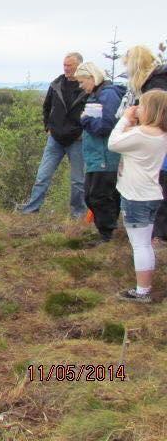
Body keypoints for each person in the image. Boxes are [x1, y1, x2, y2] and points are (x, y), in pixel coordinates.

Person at [108, 90, 167, 302]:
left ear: (151, 110)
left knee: (140, 245)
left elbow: (113, 143)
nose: (137, 109)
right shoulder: (160, 134)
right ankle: (145, 287)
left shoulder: (141, 134)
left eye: (141, 105)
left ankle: (142, 291)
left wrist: (124, 118)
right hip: (151, 193)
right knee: (145, 243)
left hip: (136, 196)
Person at [21, 52, 89, 217]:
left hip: (77, 140)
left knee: (78, 181)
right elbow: (46, 107)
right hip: (55, 138)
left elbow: (93, 112)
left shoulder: (86, 87)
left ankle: (78, 215)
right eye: (64, 65)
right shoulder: (56, 84)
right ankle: (31, 211)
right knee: (42, 176)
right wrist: (48, 128)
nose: (66, 68)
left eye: (69, 65)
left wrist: (84, 132)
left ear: (79, 66)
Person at [73, 62, 125, 243]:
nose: (80, 85)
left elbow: (106, 125)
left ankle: (107, 236)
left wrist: (85, 120)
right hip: (97, 155)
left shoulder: (108, 94)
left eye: (81, 81)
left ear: (92, 77)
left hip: (105, 156)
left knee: (98, 196)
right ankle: (108, 233)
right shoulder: (97, 94)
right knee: (94, 195)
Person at [121, 46, 167, 240]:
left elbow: (157, 118)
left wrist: (135, 129)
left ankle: (159, 238)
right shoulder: (154, 82)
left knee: (160, 192)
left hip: (159, 148)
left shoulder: (156, 86)